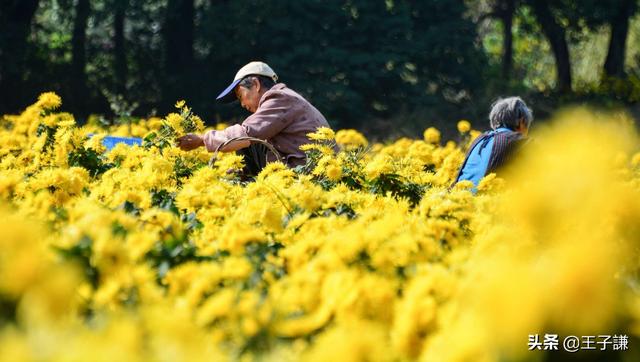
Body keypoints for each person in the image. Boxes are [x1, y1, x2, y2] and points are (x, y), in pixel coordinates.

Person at [177, 61, 334, 175]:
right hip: (310, 169)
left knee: (245, 135)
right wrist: (244, 171)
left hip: (315, 175)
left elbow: (246, 133)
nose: (243, 104)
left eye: (240, 96)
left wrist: (201, 140)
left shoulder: (279, 97)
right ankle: (249, 175)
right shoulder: (286, 98)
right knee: (249, 138)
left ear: (256, 84)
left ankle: (251, 178)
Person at [453, 96, 533, 190]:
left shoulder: (480, 139)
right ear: (521, 121)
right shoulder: (520, 141)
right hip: (484, 201)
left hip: (456, 198)